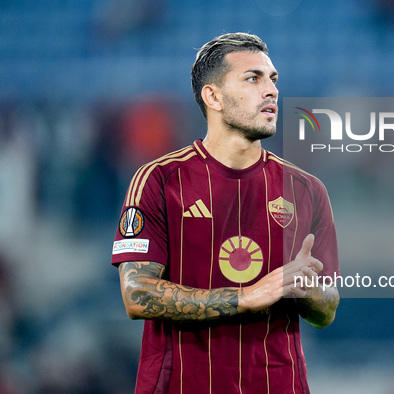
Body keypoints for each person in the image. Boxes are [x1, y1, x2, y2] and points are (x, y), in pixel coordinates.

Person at [111, 32, 340, 394]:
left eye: (273, 79)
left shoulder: (307, 190)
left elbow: (327, 309)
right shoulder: (159, 180)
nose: (271, 91)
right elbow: (136, 293)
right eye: (253, 78)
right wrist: (246, 296)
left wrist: (308, 291)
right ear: (213, 96)